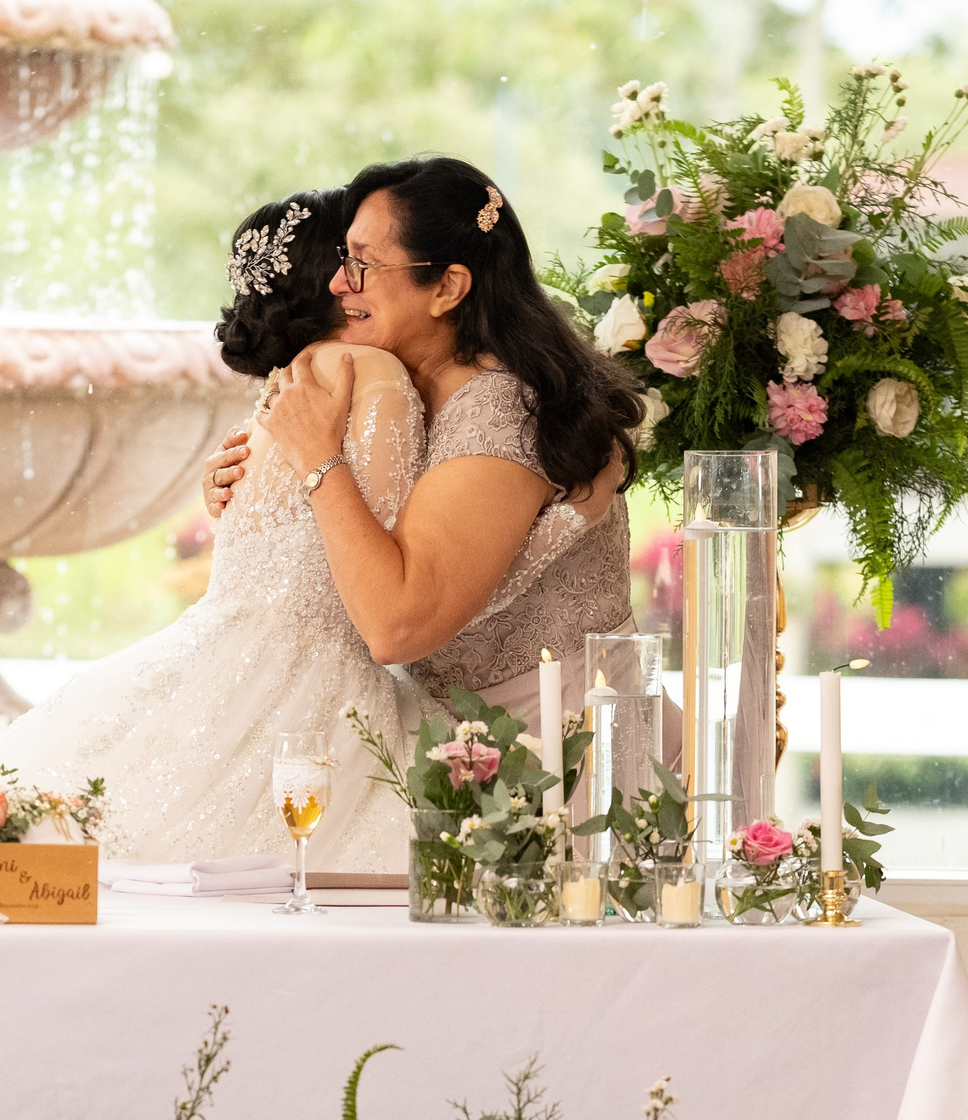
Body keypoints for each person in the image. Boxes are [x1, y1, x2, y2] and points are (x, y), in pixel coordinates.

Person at [0, 186, 425, 879]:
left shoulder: (287, 383)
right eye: (355, 258)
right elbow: (392, 541)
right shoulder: (371, 372)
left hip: (226, 655)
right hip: (308, 682)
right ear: (327, 274)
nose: (361, 276)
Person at [205, 155, 645, 731]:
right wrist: (247, 492)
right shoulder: (386, 386)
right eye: (343, 258)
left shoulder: (502, 410)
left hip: (570, 753)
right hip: (451, 748)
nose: (338, 284)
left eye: (362, 263)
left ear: (447, 288)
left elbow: (395, 627)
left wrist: (318, 461)